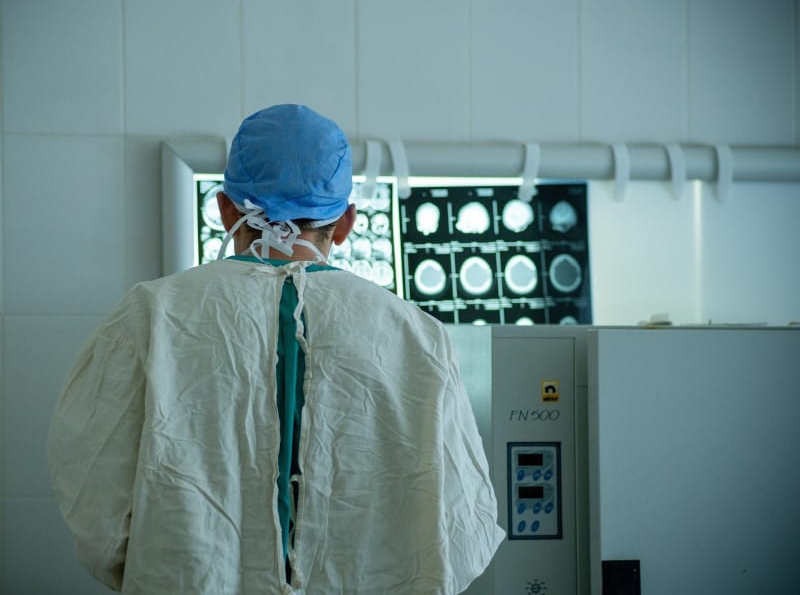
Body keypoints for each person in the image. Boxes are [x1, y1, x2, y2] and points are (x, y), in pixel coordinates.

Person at [47, 104, 504, 594]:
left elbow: (96, 511)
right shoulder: (418, 336)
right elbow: (462, 532)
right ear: (346, 222)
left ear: (224, 209)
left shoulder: (150, 317)